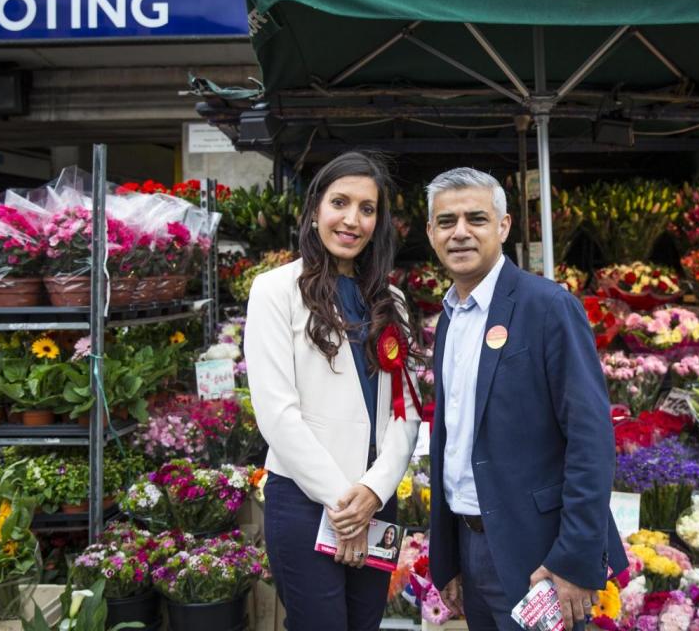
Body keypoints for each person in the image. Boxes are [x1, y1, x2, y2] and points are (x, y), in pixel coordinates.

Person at [424, 168, 627, 631]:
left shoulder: (547, 306)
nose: (460, 232)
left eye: (476, 218)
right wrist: (448, 557)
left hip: (539, 553)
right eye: (446, 221)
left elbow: (590, 440)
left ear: (504, 226)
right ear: (431, 233)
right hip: (470, 544)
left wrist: (573, 558)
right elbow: (455, 441)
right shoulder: (449, 318)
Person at [243, 151, 421, 631]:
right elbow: (278, 415)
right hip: (306, 498)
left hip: (377, 499)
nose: (352, 219)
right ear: (315, 208)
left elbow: (405, 414)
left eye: (367, 209)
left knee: (366, 625)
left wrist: (372, 492)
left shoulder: (392, 300)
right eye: (340, 202)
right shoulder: (275, 290)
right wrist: (344, 503)